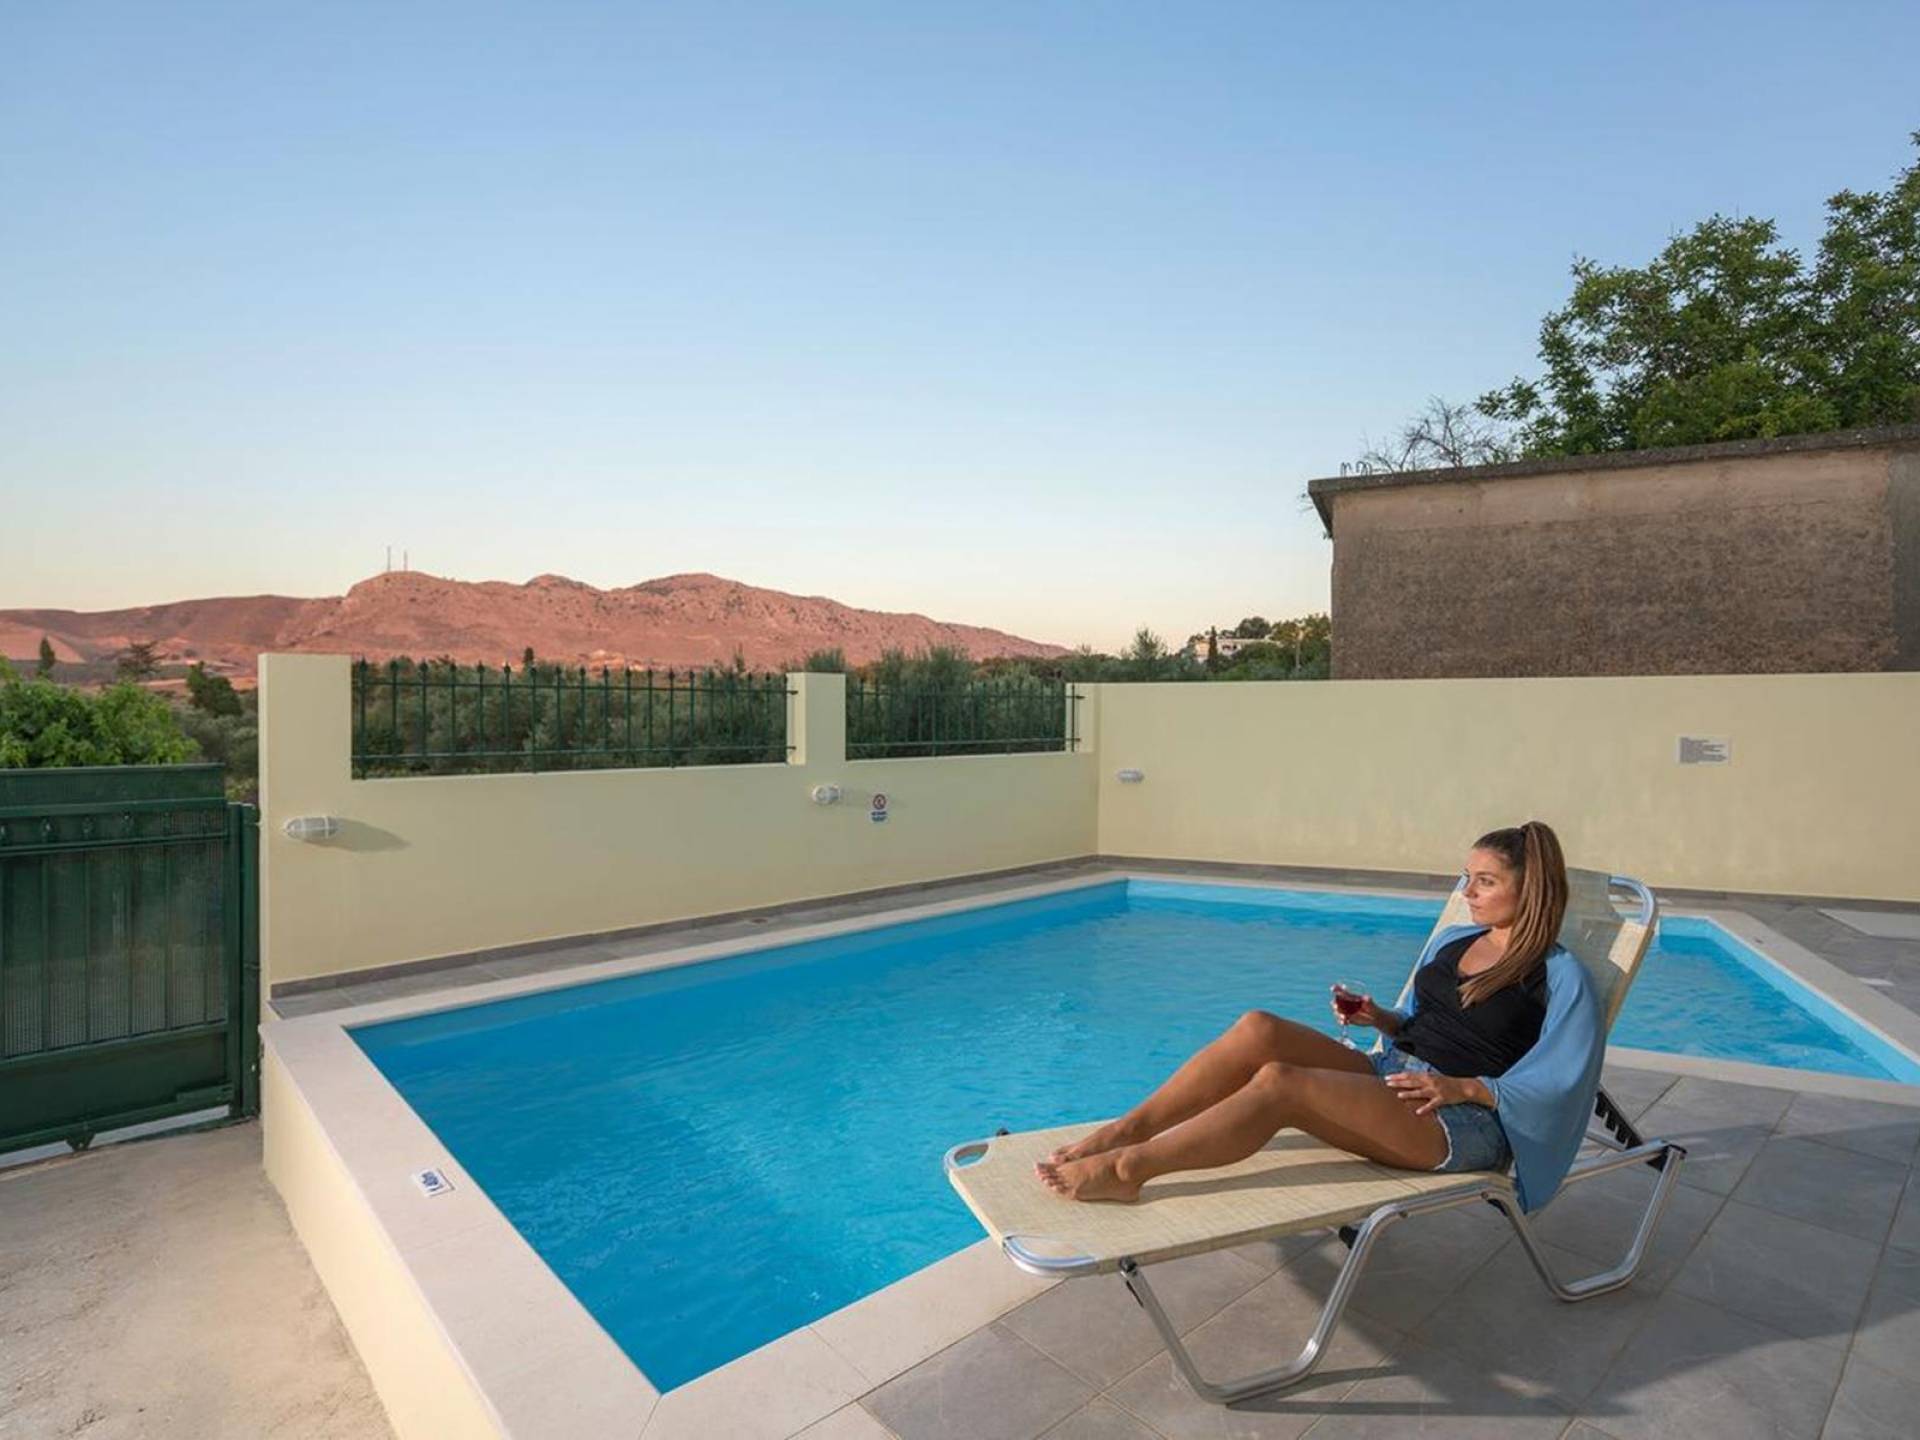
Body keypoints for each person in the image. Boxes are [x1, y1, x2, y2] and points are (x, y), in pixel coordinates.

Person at [1035, 821, 1604, 1213]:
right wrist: (1381, 1019)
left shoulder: (1559, 975)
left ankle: (1129, 1171)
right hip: (1394, 1076)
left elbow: (1563, 1083)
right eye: (1467, 877)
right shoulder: (1455, 940)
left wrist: (1465, 1088)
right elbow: (1426, 1023)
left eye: (1486, 881)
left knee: (1281, 1083)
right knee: (1259, 1027)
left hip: (1459, 1119)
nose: (1468, 892)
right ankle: (1126, 1130)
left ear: (1531, 890)